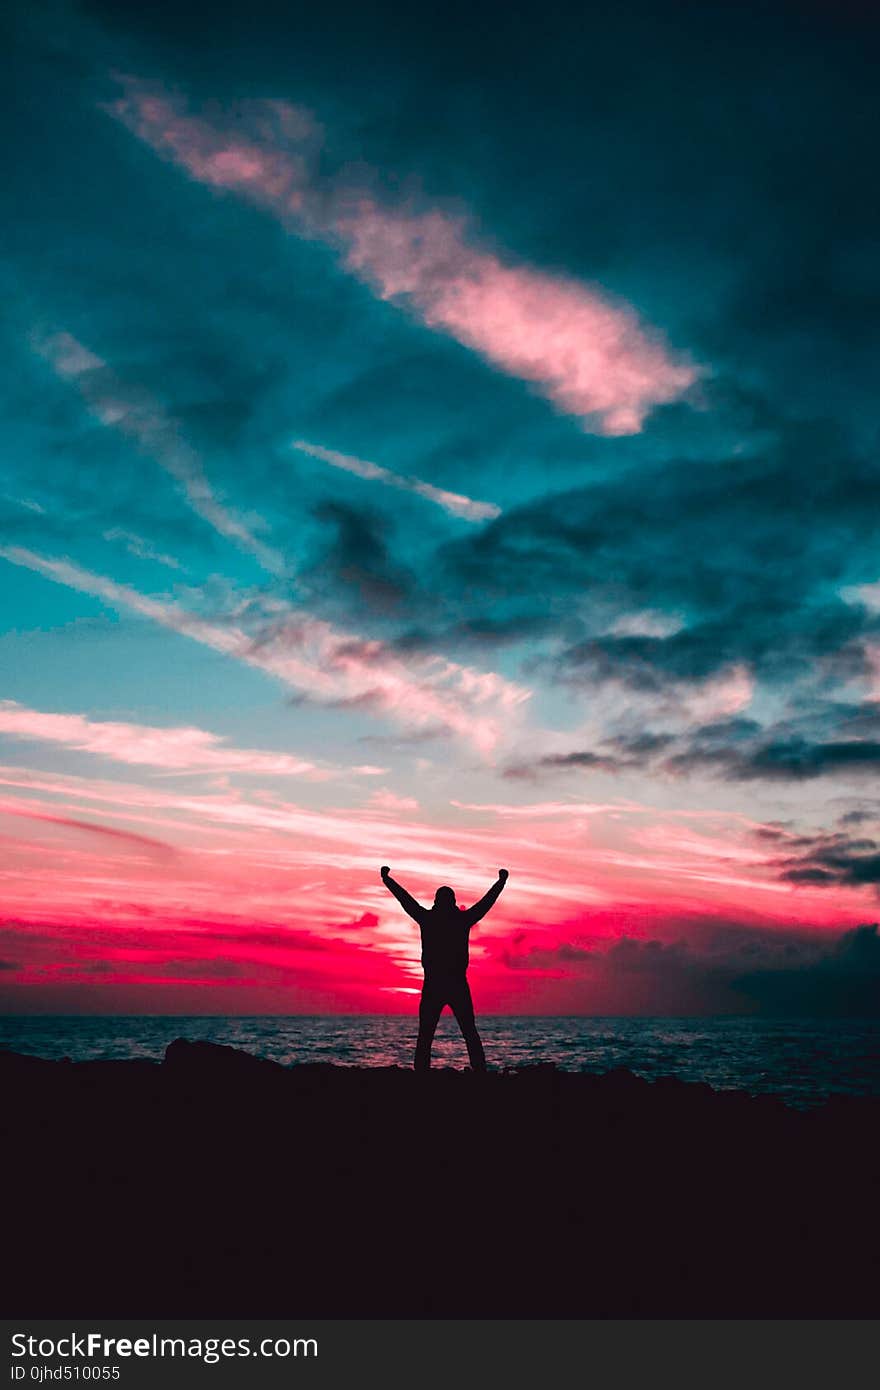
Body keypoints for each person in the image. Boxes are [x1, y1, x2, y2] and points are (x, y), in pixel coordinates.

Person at [380, 865, 509, 1071]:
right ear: (453, 902)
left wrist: (387, 880)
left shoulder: (433, 919)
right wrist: (501, 882)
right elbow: (486, 903)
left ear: (436, 902)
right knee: (463, 1033)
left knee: (432, 1036)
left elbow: (406, 900)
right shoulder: (456, 919)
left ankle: (427, 1074)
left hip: (443, 984)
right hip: (448, 984)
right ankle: (478, 1073)